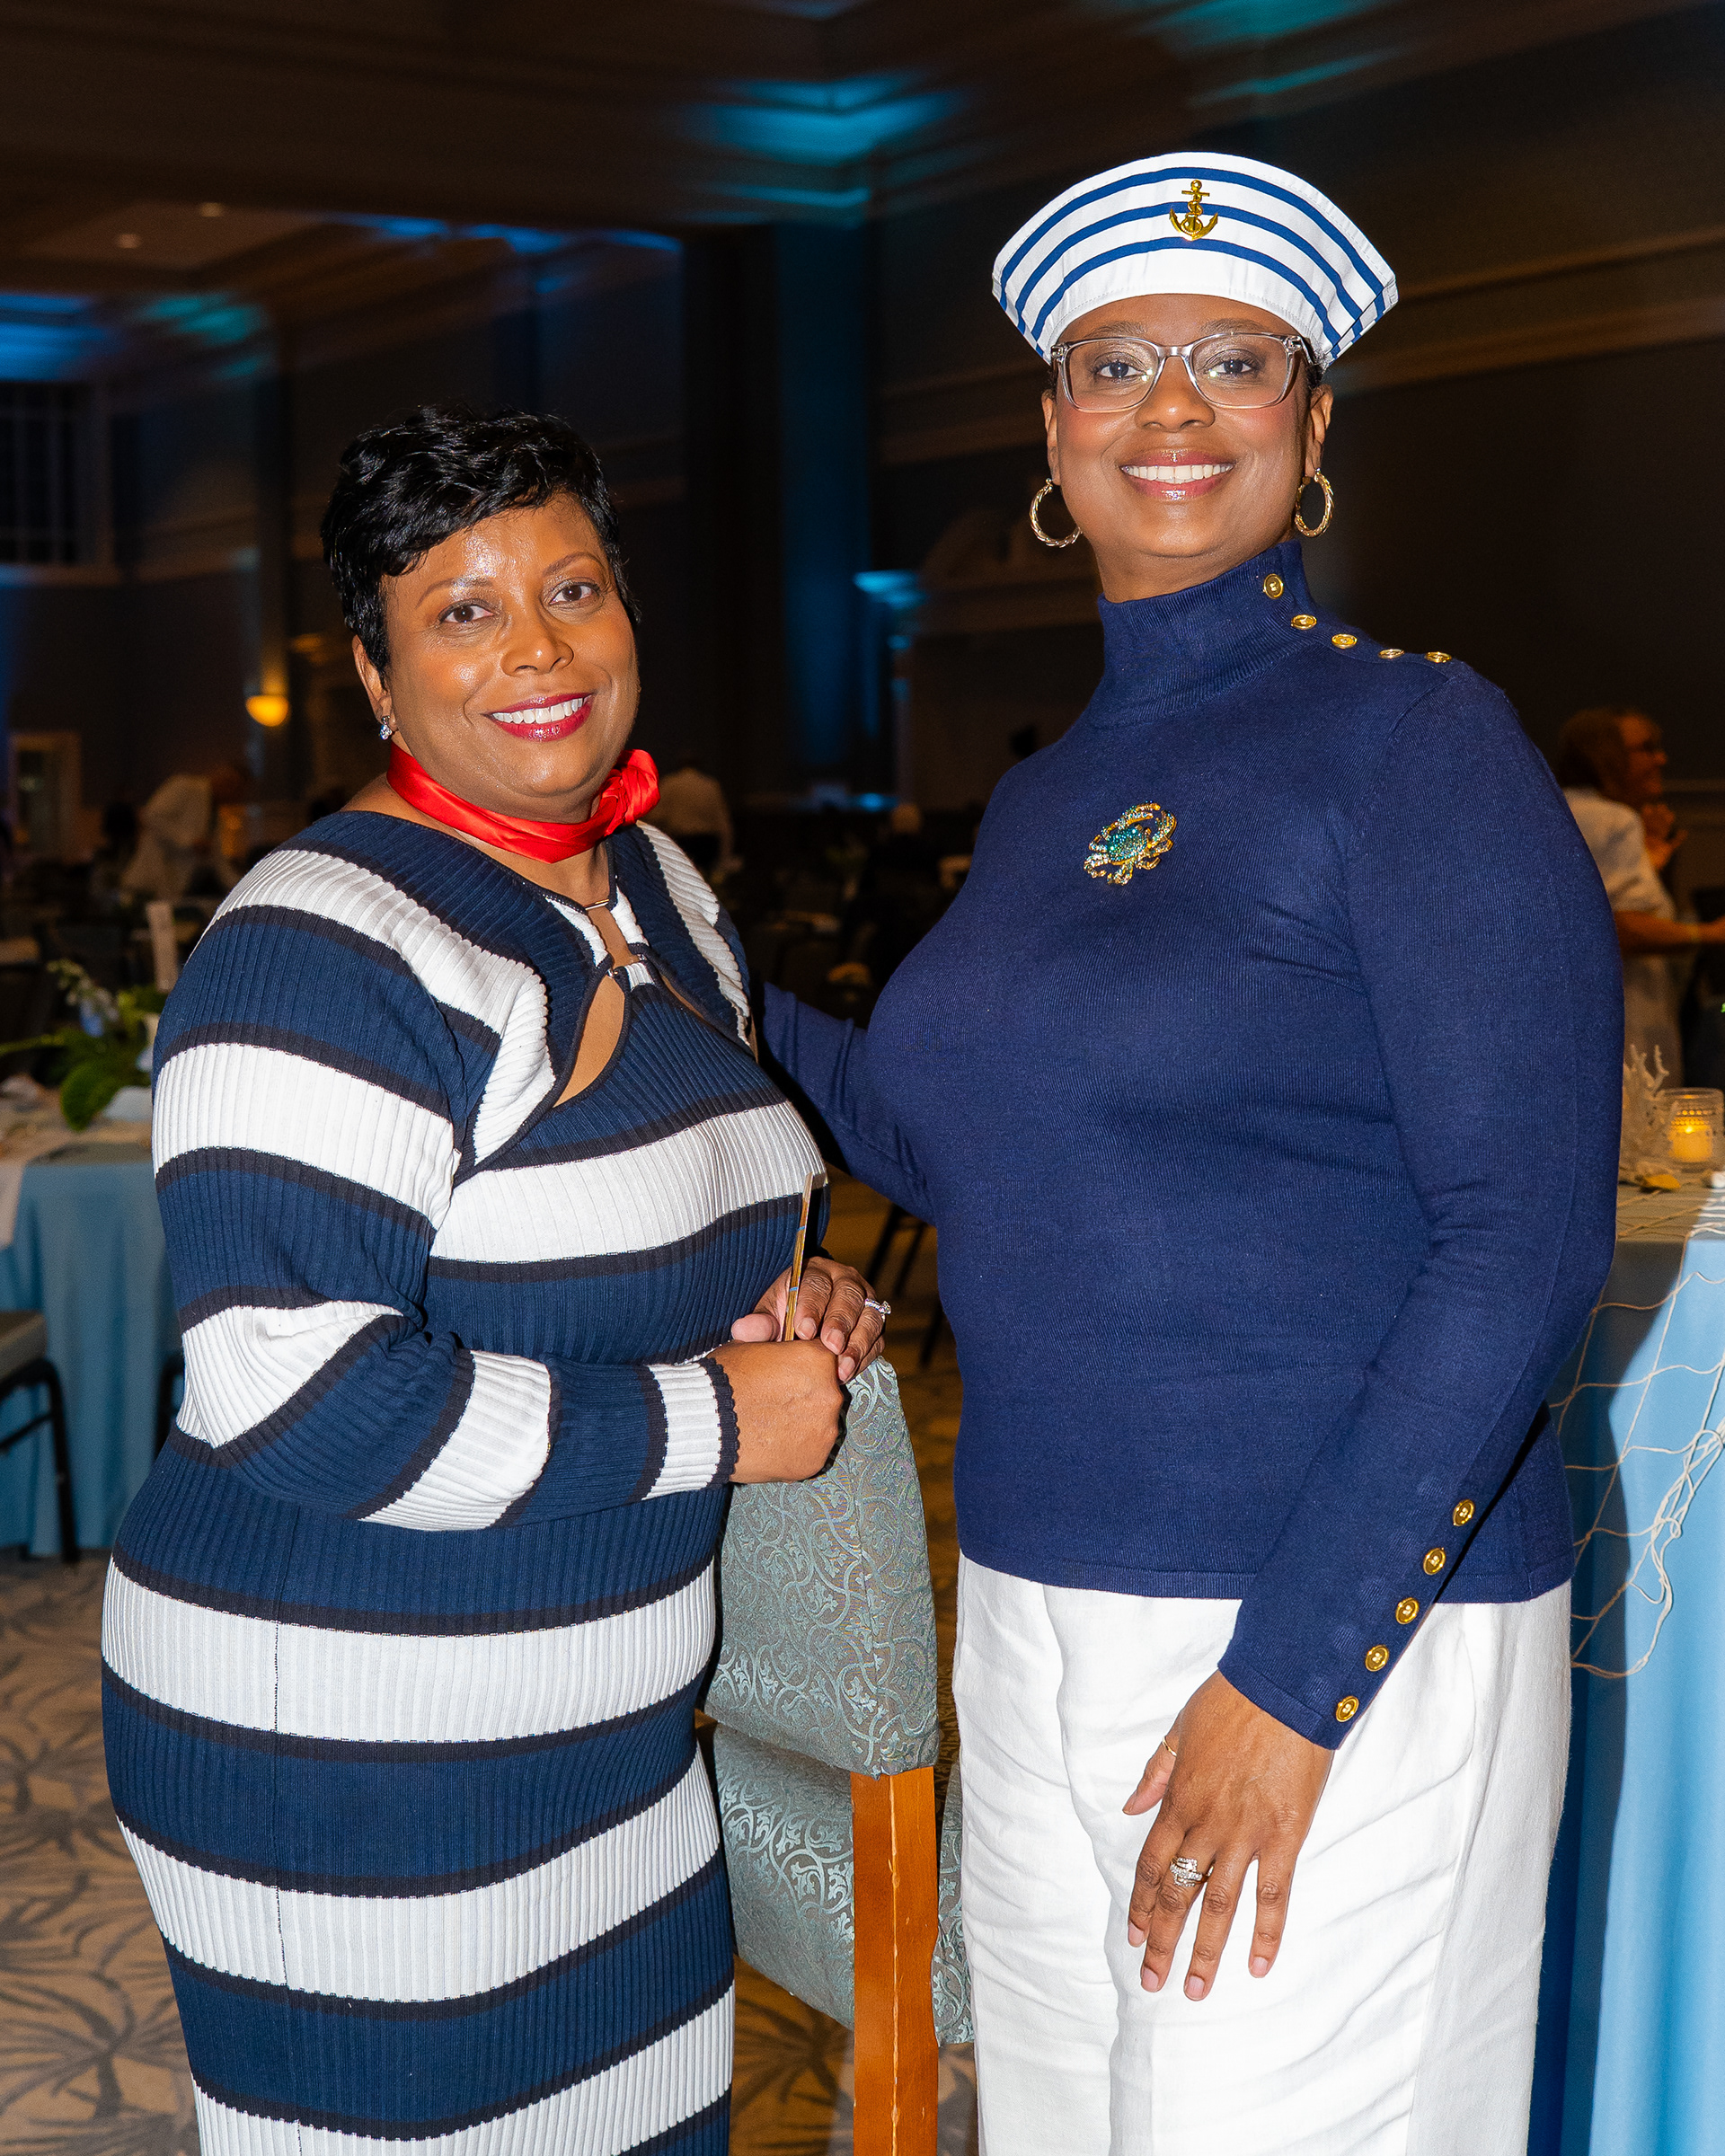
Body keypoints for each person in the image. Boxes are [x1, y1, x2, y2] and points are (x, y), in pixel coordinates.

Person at [761, 152, 1622, 2153]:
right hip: (1036, 1594)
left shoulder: (1417, 742)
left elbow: (1525, 1246)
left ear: (1310, 428)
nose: (1171, 406)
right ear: (1054, 431)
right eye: (1116, 362)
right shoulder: (1054, 788)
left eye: (1234, 361)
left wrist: (1297, 1683)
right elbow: (951, 1142)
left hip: (1327, 1624)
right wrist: (680, 962)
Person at [102, 407, 888, 2156]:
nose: (536, 647)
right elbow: (294, 1399)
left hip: (608, 1737)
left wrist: (798, 1296)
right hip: (349, 1748)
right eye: (461, 611)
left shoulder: (658, 886)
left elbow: (646, 1220)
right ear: (374, 679)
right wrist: (716, 1419)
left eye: (572, 589)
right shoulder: (317, 944)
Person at [1557, 703, 1725, 1080]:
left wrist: (1647, 865)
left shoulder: (1559, 810)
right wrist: (1710, 933)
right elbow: (1618, 929)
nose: (1661, 759)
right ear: (1605, 756)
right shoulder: (1615, 821)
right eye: (1647, 749)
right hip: (1625, 1033)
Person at [121, 763, 247, 900]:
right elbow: (151, 816)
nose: (235, 797)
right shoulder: (185, 786)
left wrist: (244, 889)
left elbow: (219, 861)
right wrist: (190, 842)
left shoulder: (214, 814)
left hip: (174, 886)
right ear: (225, 781)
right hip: (150, 876)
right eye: (236, 790)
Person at [647, 755, 733, 876]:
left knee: (681, 877)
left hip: (680, 840)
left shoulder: (670, 783)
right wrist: (725, 855)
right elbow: (721, 820)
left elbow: (657, 816)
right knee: (704, 877)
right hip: (707, 842)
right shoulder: (710, 785)